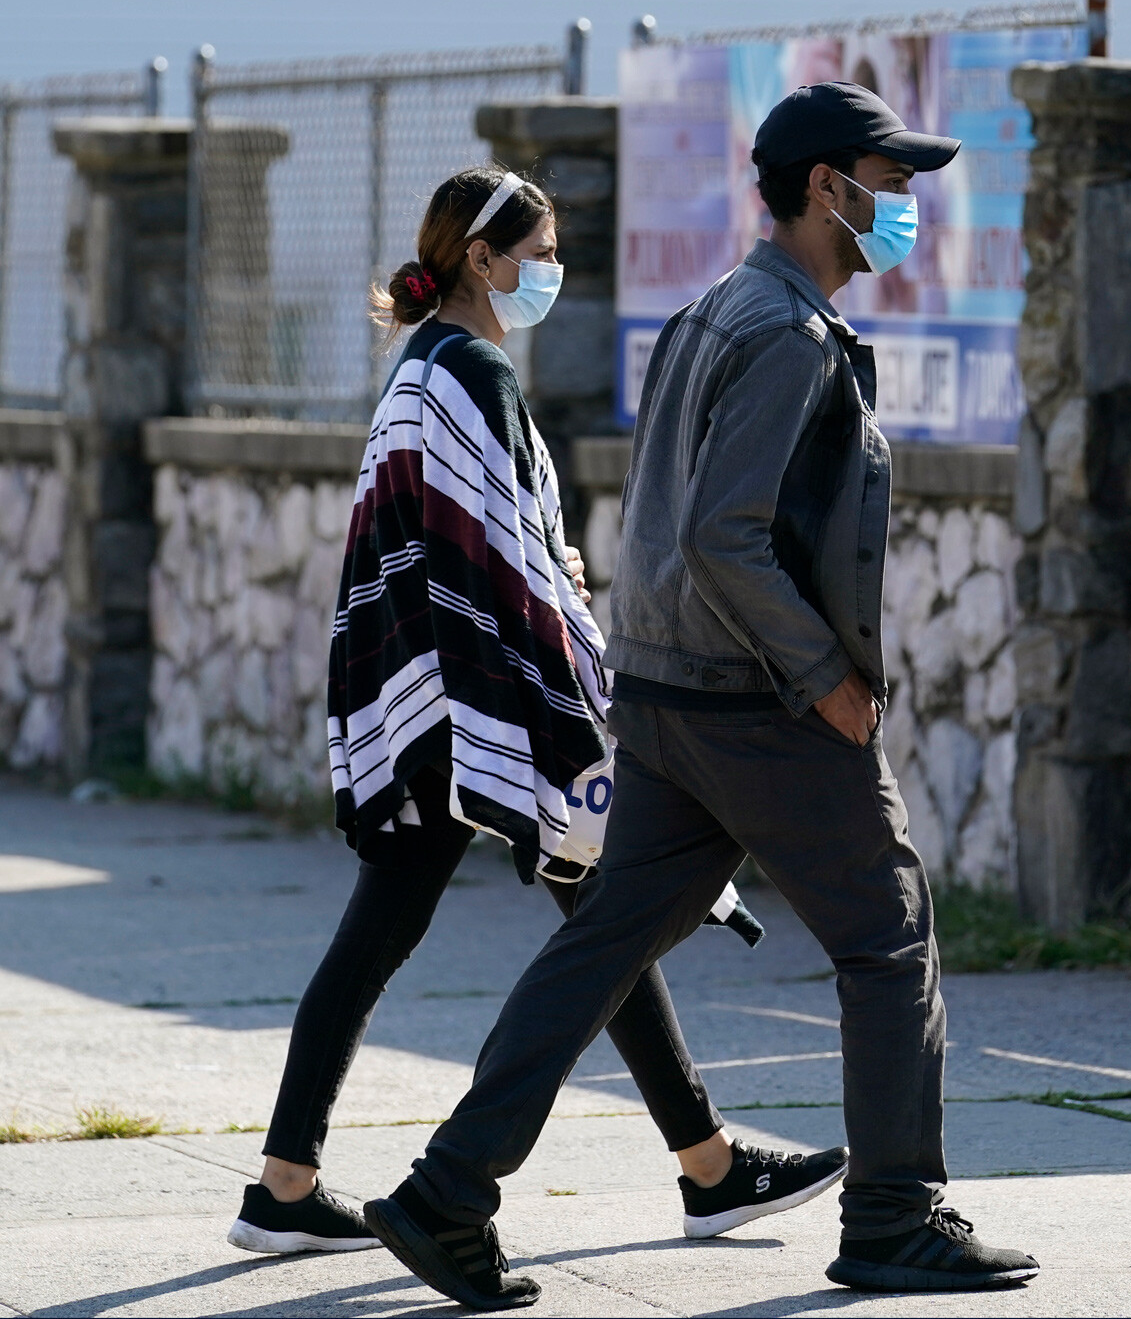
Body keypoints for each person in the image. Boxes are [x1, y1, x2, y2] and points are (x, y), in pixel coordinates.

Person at [361, 85, 1040, 1310]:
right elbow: (729, 534)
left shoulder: (714, 310)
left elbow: (677, 518)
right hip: (751, 699)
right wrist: (822, 673)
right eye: (886, 185)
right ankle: (894, 1212)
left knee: (608, 941)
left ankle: (445, 1192)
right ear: (824, 188)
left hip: (669, 689)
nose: (901, 209)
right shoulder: (781, 332)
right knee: (888, 940)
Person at [224, 166, 846, 1261]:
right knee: (575, 920)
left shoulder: (421, 363)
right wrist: (577, 677)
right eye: (540, 251)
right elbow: (504, 559)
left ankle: (700, 1167)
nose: (551, 272)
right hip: (476, 700)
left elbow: (465, 536)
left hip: (427, 689)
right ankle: (697, 1170)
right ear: (481, 257)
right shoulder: (468, 369)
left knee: (551, 921)